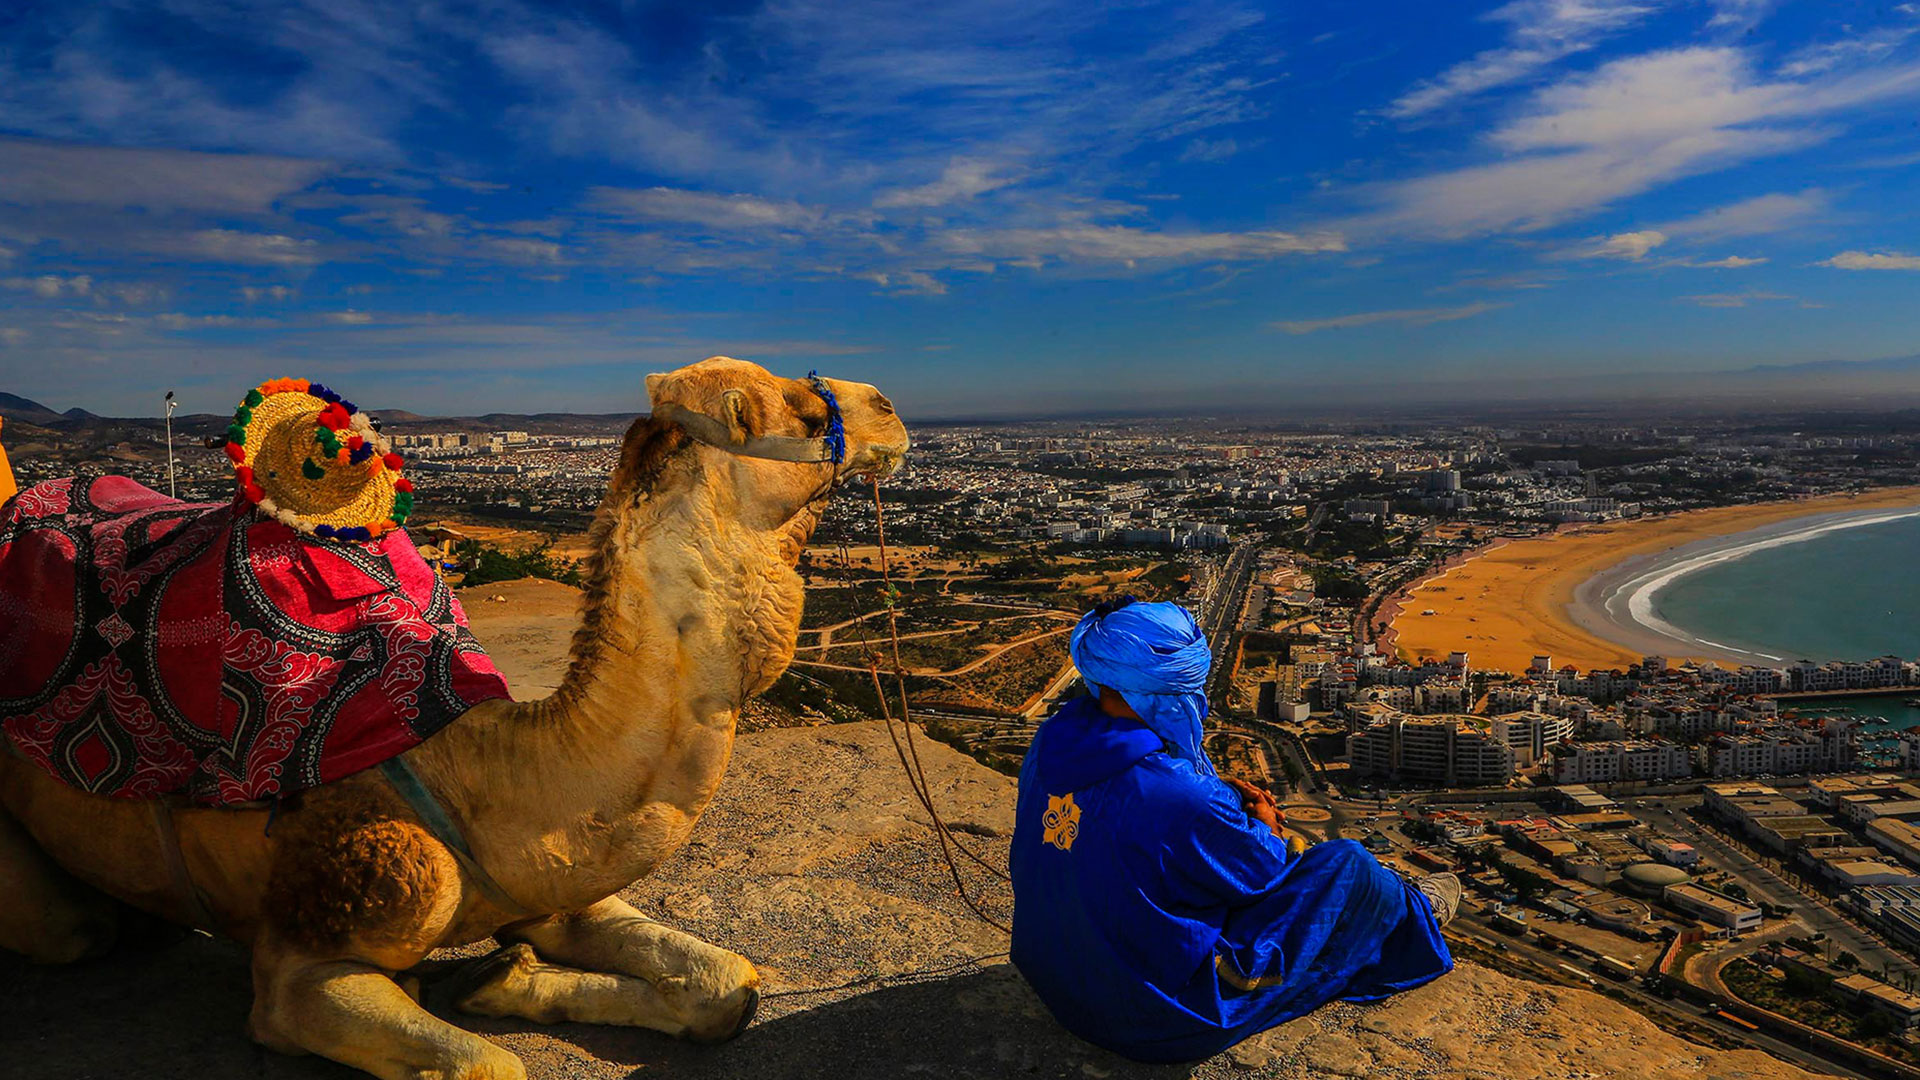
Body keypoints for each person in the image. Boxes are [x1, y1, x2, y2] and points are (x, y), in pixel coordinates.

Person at [1009, 597, 1457, 1063]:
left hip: (1055, 978)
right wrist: (1261, 823)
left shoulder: (1052, 741)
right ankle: (1415, 912)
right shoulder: (1182, 797)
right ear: (1174, 689)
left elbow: (1127, 808)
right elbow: (1266, 873)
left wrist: (1209, 800)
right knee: (1350, 867)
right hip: (1143, 1018)